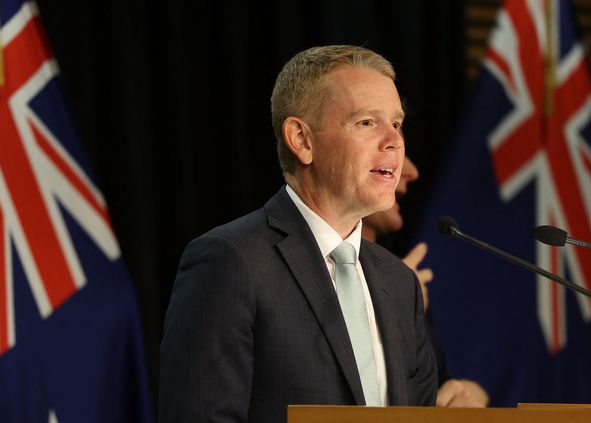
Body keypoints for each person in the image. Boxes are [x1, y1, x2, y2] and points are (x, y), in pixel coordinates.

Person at [159, 45, 437, 423]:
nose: (394, 141)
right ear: (302, 140)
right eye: (367, 122)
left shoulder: (399, 284)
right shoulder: (231, 262)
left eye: (397, 123)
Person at [362, 156, 490, 408]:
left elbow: (435, 388)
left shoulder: (404, 274)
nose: (411, 171)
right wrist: (383, 312)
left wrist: (464, 394)